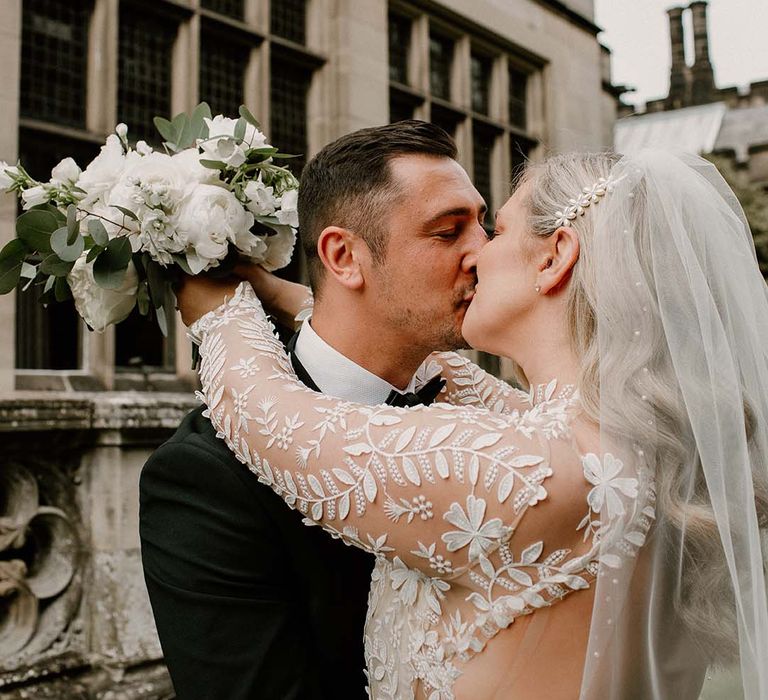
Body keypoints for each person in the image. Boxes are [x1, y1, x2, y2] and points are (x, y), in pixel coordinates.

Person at [176, 149, 768, 699]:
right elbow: (455, 376)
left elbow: (274, 419)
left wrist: (218, 307)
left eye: (497, 230)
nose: (477, 253)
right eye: (452, 230)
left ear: (557, 256)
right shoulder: (643, 446)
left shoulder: (525, 471)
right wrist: (299, 296)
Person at [138, 120, 487, 699]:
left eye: (485, 224)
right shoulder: (203, 477)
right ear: (344, 256)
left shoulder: (505, 419)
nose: (485, 253)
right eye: (450, 232)